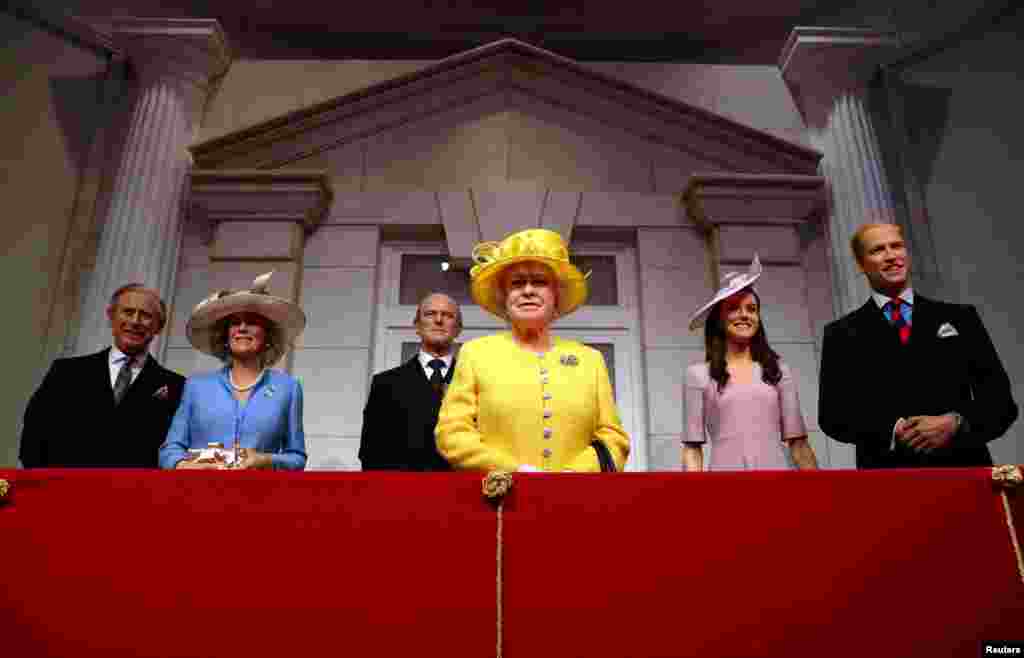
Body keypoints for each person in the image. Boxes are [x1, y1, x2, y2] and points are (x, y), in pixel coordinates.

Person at [818, 222, 1018, 468]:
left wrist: (956, 422)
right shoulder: (841, 334)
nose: (891, 255)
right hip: (889, 479)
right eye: (878, 250)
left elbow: (1001, 404)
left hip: (963, 471)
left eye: (897, 246)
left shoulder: (961, 319)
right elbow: (833, 417)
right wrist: (892, 429)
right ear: (860, 264)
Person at [436, 228, 630, 472]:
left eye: (539, 282)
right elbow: (452, 432)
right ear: (504, 297)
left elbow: (613, 438)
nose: (528, 290)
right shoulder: (476, 354)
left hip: (577, 500)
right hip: (499, 499)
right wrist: (512, 470)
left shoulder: (590, 360)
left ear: (556, 296)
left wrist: (575, 474)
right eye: (517, 284)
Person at [20, 284, 185, 468]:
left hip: (138, 494)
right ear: (111, 317)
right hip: (66, 491)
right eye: (128, 312)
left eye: (145, 315)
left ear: (158, 327)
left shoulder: (177, 386)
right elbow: (34, 437)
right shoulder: (66, 373)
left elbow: (175, 450)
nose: (135, 321)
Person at [159, 272, 307, 470]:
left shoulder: (288, 389)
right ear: (225, 336)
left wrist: (266, 460)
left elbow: (297, 458)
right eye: (235, 323)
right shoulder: (196, 387)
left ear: (267, 335)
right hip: (199, 494)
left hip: (261, 496)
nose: (242, 328)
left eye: (252, 322)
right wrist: (186, 465)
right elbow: (169, 451)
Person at [682, 256, 818, 471]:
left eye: (751, 309)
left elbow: (799, 444)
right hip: (724, 486)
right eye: (734, 308)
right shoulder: (698, 374)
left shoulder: (777, 370)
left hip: (776, 482)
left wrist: (819, 495)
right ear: (719, 318)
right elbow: (692, 448)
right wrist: (693, 500)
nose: (744, 315)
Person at [359, 293, 462, 471]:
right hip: (402, 493)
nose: (438, 320)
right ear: (417, 326)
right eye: (430, 314)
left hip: (462, 492)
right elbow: (371, 453)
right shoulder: (385, 384)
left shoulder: (475, 382)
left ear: (458, 328)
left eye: (447, 315)